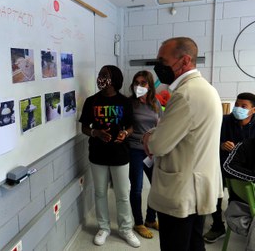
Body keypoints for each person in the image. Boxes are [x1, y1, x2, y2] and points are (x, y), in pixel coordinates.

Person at [142, 37, 223, 251]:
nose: (158, 66)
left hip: (182, 190)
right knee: (194, 243)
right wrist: (156, 133)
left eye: (162, 60)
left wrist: (148, 136)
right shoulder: (205, 88)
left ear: (185, 60)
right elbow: (182, 133)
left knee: (176, 246)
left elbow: (158, 145)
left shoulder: (185, 95)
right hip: (197, 185)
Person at [79, 65, 140, 248]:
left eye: (104, 75)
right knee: (100, 193)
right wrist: (96, 133)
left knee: (122, 194)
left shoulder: (125, 102)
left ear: (114, 79)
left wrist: (125, 134)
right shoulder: (91, 101)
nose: (100, 78)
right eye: (99, 75)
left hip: (120, 154)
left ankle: (125, 229)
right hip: (97, 155)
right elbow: (84, 128)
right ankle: (103, 228)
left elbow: (131, 127)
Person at [203, 92, 255, 243]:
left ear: (253, 110)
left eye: (243, 106)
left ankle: (245, 224)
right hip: (221, 166)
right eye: (237, 105)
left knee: (240, 197)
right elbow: (207, 142)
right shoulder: (224, 121)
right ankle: (218, 226)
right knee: (215, 196)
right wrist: (220, 145)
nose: (238, 108)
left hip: (245, 171)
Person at [128, 70, 163, 239]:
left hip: (152, 152)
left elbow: (162, 124)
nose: (139, 86)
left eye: (143, 83)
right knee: (137, 188)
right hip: (134, 149)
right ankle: (139, 223)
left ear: (149, 86)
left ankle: (150, 219)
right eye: (136, 82)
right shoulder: (129, 103)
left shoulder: (155, 103)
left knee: (157, 186)